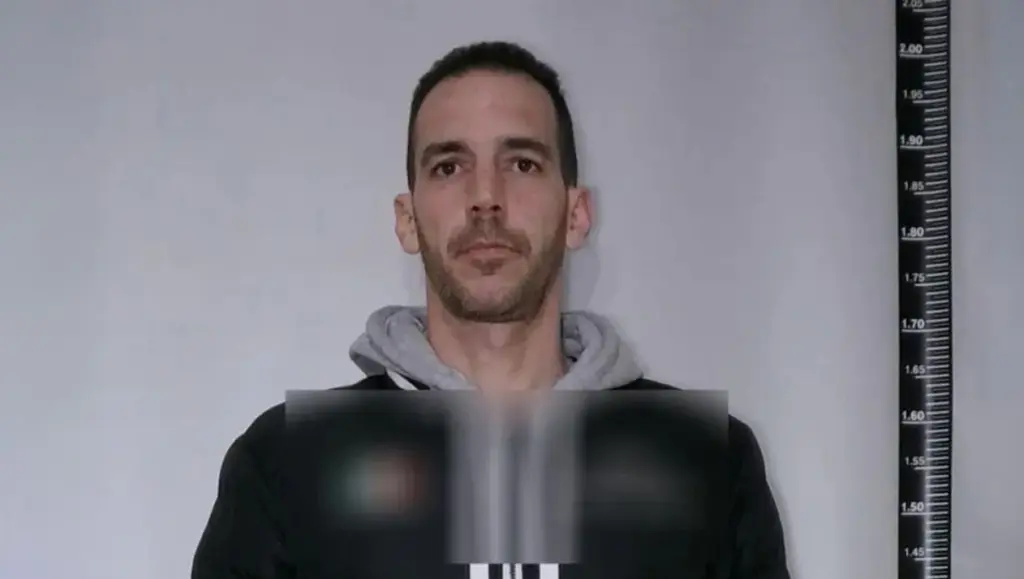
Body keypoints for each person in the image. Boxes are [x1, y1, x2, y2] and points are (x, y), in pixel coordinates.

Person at [191, 41, 791, 579]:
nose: (485, 198)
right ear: (407, 219)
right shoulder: (287, 460)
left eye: (522, 163)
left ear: (576, 214)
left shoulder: (707, 458)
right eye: (449, 167)